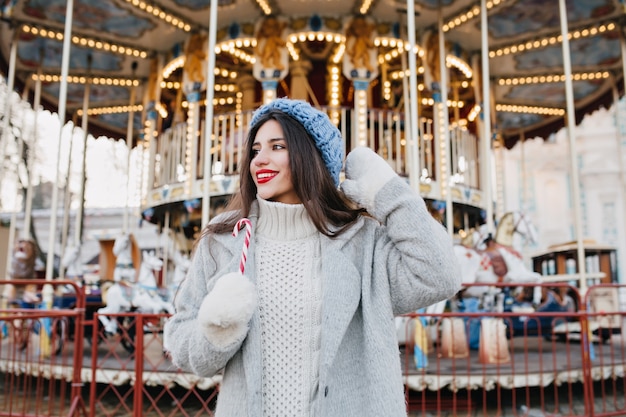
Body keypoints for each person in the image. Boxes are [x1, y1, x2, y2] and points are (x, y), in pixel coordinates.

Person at [163, 98, 461, 417]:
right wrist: (215, 330)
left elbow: (440, 275)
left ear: (309, 155)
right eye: (255, 150)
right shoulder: (224, 240)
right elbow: (182, 342)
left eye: (277, 146)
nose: (259, 160)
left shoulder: (361, 241)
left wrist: (387, 191)